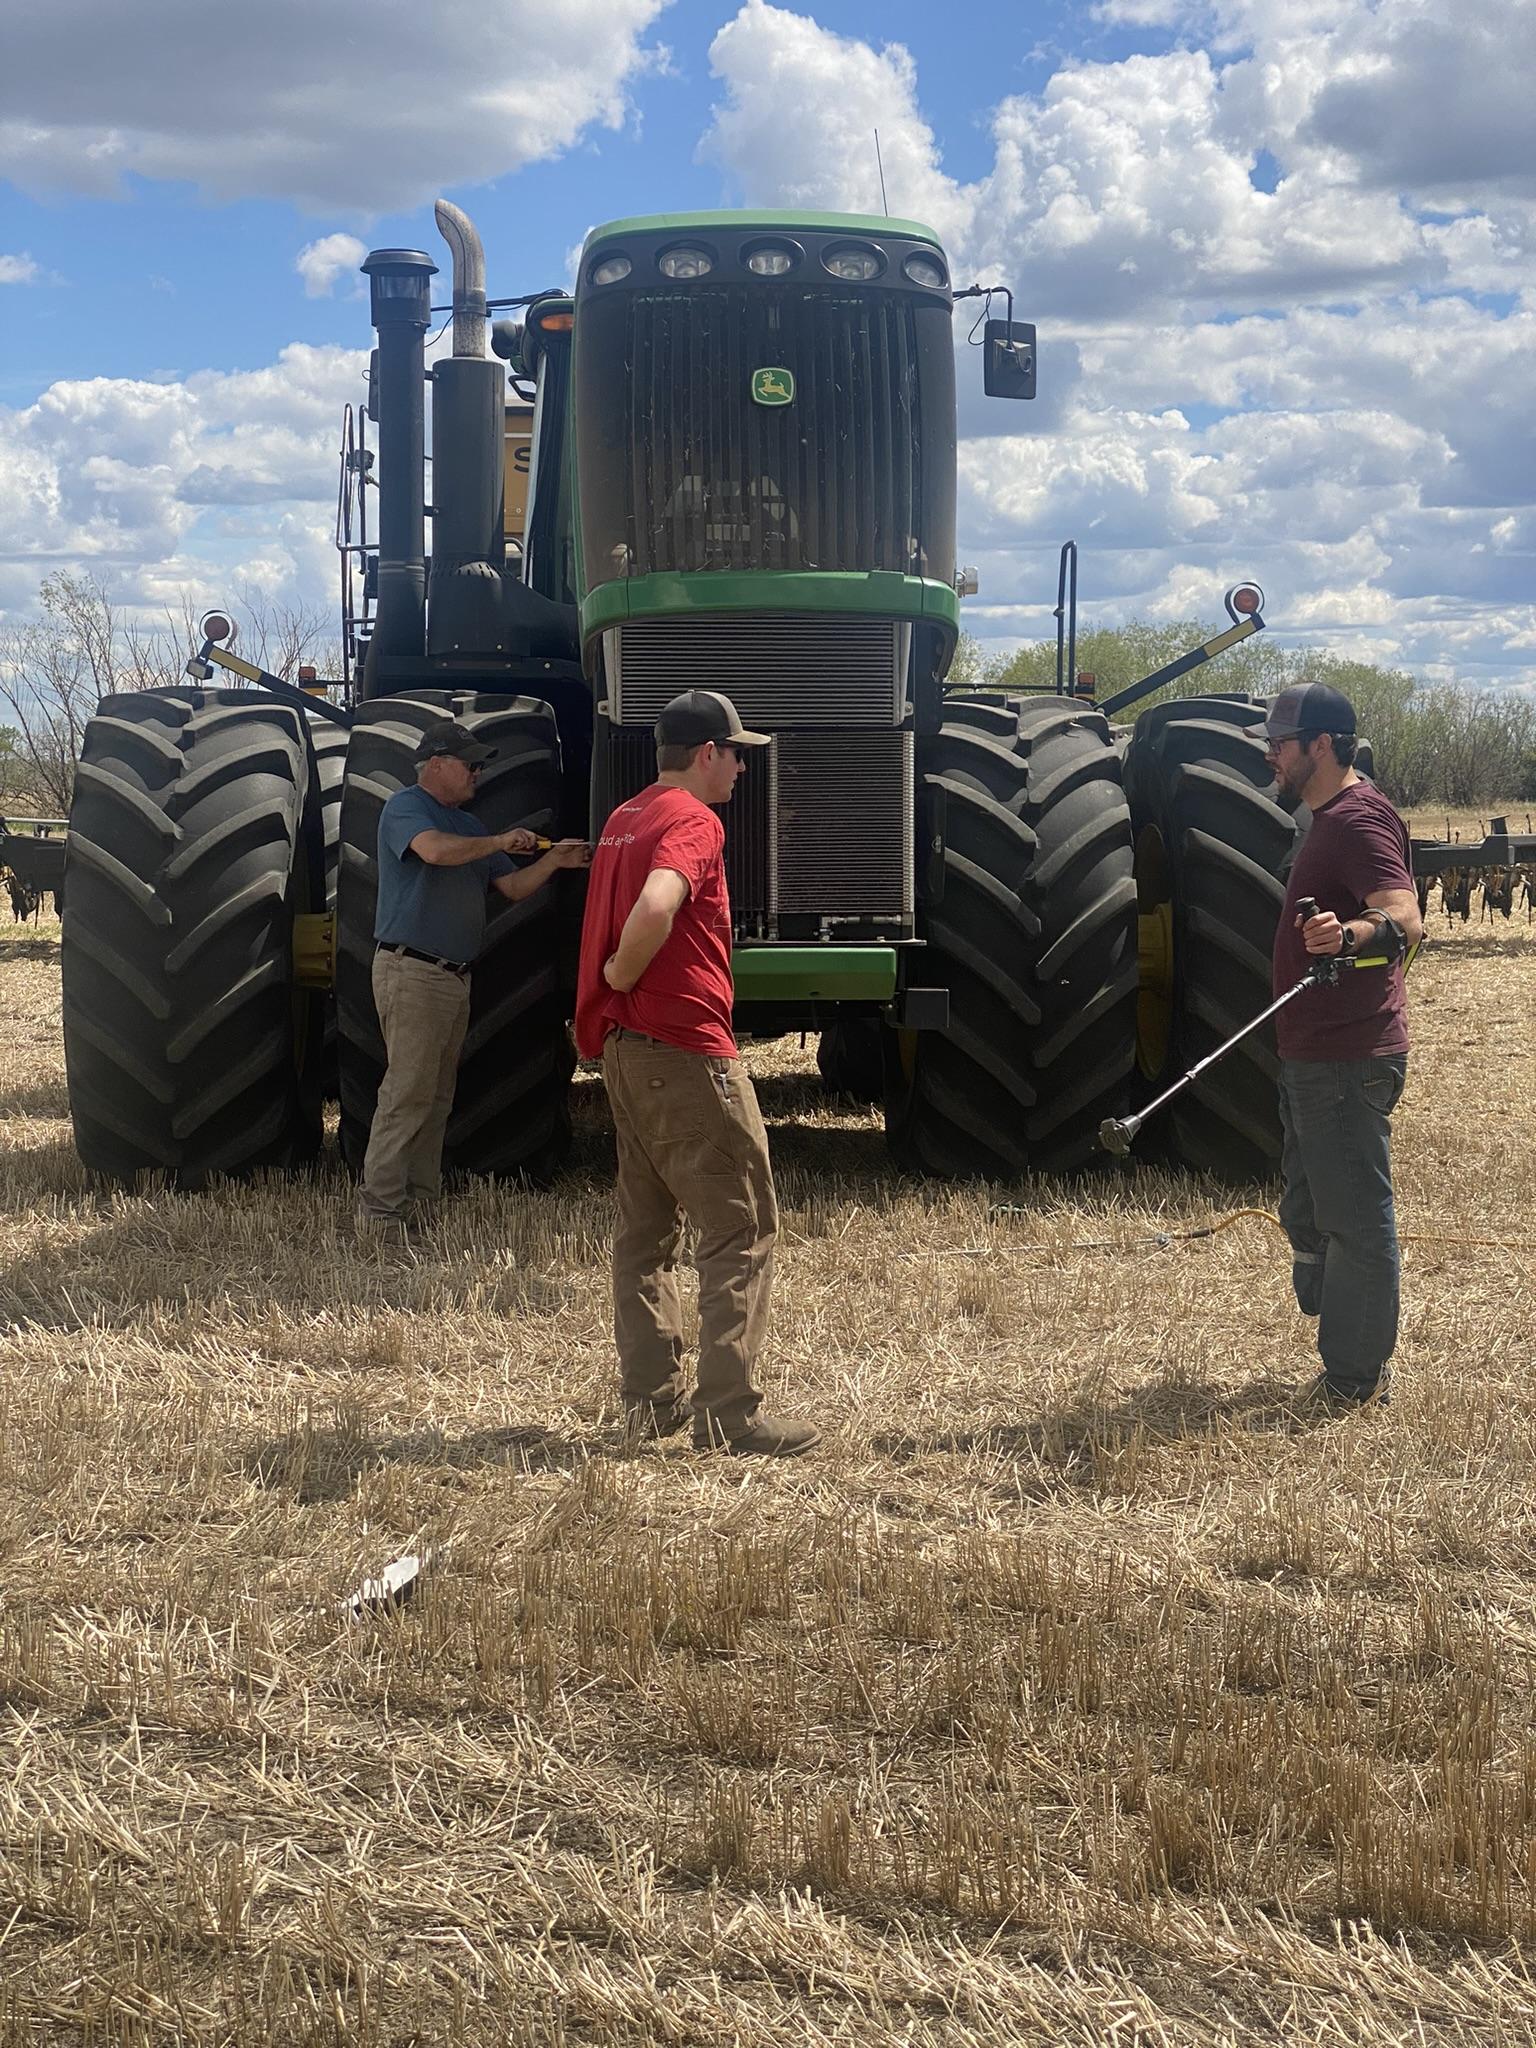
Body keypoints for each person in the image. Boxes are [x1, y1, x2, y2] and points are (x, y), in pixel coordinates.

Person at [575, 689, 818, 1458]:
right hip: (683, 1049)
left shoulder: (623, 818)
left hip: (623, 1051)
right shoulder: (692, 820)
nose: (743, 765)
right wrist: (624, 964)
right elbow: (656, 907)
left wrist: (614, 984)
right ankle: (729, 1415)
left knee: (645, 1235)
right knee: (740, 1229)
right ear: (707, 753)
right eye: (737, 751)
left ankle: (650, 1403)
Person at [357, 718, 589, 1244]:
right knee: (408, 1092)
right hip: (412, 969)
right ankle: (381, 1213)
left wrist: (555, 860)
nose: (478, 774)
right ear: (436, 764)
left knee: (435, 1096)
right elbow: (434, 852)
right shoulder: (407, 808)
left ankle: (419, 1203)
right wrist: (502, 838)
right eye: (470, 764)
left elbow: (511, 886)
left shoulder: (468, 825)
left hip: (452, 976)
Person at [1265, 682, 1424, 1408]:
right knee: (1311, 1208)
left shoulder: (1358, 818)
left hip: (1348, 1055)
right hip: (1311, 1051)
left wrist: (1349, 936)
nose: (1272, 753)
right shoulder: (1322, 817)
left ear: (1320, 746)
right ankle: (1342, 1327)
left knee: (1357, 1218)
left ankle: (1355, 1380)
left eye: (1282, 742)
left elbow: (1403, 918)